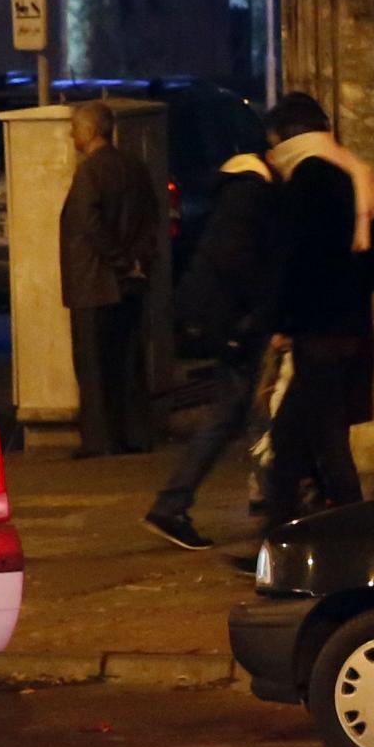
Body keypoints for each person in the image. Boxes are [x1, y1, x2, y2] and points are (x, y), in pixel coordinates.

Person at [265, 94, 374, 531]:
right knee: (289, 437)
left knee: (326, 440)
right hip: (351, 328)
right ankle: (279, 534)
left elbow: (289, 260)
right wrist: (350, 290)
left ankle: (357, 532)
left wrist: (282, 320)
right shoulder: (354, 177)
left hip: (316, 331)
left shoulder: (303, 182)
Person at [143, 149, 281, 548]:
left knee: (240, 411)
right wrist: (259, 312)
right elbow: (237, 260)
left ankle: (175, 505)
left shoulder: (240, 189)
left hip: (226, 320)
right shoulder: (251, 193)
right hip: (234, 323)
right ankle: (175, 505)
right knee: (244, 411)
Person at [61, 101, 160, 460]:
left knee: (93, 364)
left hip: (95, 281)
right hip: (131, 280)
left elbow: (89, 224)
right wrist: (137, 260)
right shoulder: (134, 166)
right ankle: (135, 433)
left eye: (74, 127)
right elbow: (152, 217)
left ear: (88, 131)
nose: (72, 134)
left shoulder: (90, 173)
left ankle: (100, 440)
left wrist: (118, 259)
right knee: (127, 361)